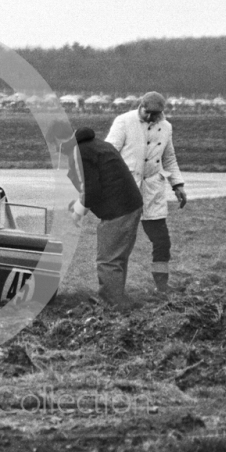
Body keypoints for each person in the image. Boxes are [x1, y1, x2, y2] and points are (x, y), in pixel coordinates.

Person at [105, 91, 187, 295]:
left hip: (152, 192)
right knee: (121, 244)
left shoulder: (166, 128)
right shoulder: (124, 121)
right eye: (147, 112)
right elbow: (109, 154)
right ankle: (114, 291)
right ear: (140, 106)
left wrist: (177, 185)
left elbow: (169, 158)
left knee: (162, 241)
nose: (150, 117)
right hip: (126, 191)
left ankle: (162, 285)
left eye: (155, 114)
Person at [66, 127, 144, 308]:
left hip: (119, 210)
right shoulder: (98, 145)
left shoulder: (80, 153)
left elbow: (91, 190)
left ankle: (112, 305)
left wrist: (77, 212)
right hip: (130, 205)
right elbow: (96, 182)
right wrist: (79, 204)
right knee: (117, 257)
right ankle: (117, 299)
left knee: (108, 260)